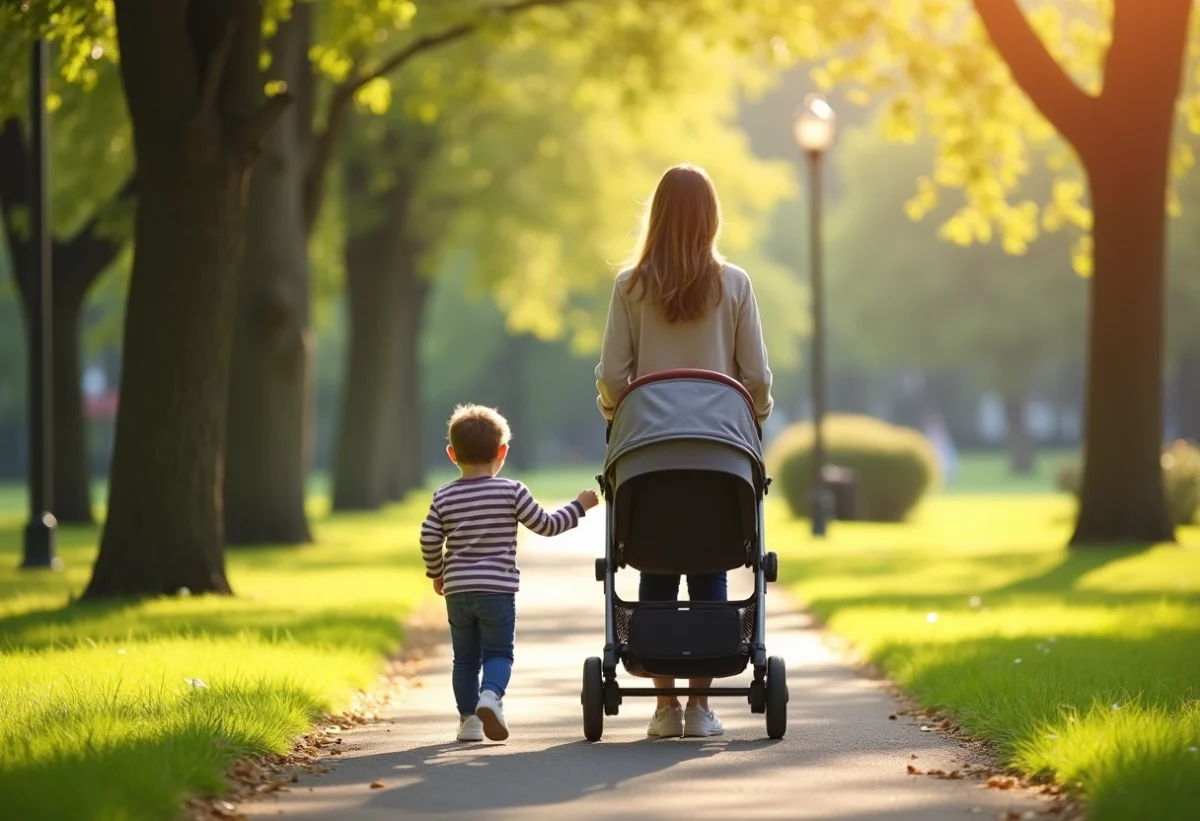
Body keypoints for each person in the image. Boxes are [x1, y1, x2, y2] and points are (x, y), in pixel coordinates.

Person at [595, 163, 774, 739]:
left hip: (648, 451)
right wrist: (756, 417)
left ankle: (664, 707)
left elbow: (612, 374)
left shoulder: (630, 286)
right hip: (719, 450)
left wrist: (616, 415)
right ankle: (700, 707)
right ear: (711, 219)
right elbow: (757, 375)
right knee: (711, 560)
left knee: (652, 558)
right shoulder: (736, 284)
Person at [420, 404, 600, 742]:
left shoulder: (443, 496)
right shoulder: (511, 491)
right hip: (497, 592)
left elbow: (429, 536)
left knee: (464, 659)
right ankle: (491, 695)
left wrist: (437, 573)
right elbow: (547, 526)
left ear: (451, 454)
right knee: (499, 653)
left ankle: (469, 721)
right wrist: (580, 506)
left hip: (458, 591)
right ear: (502, 451)